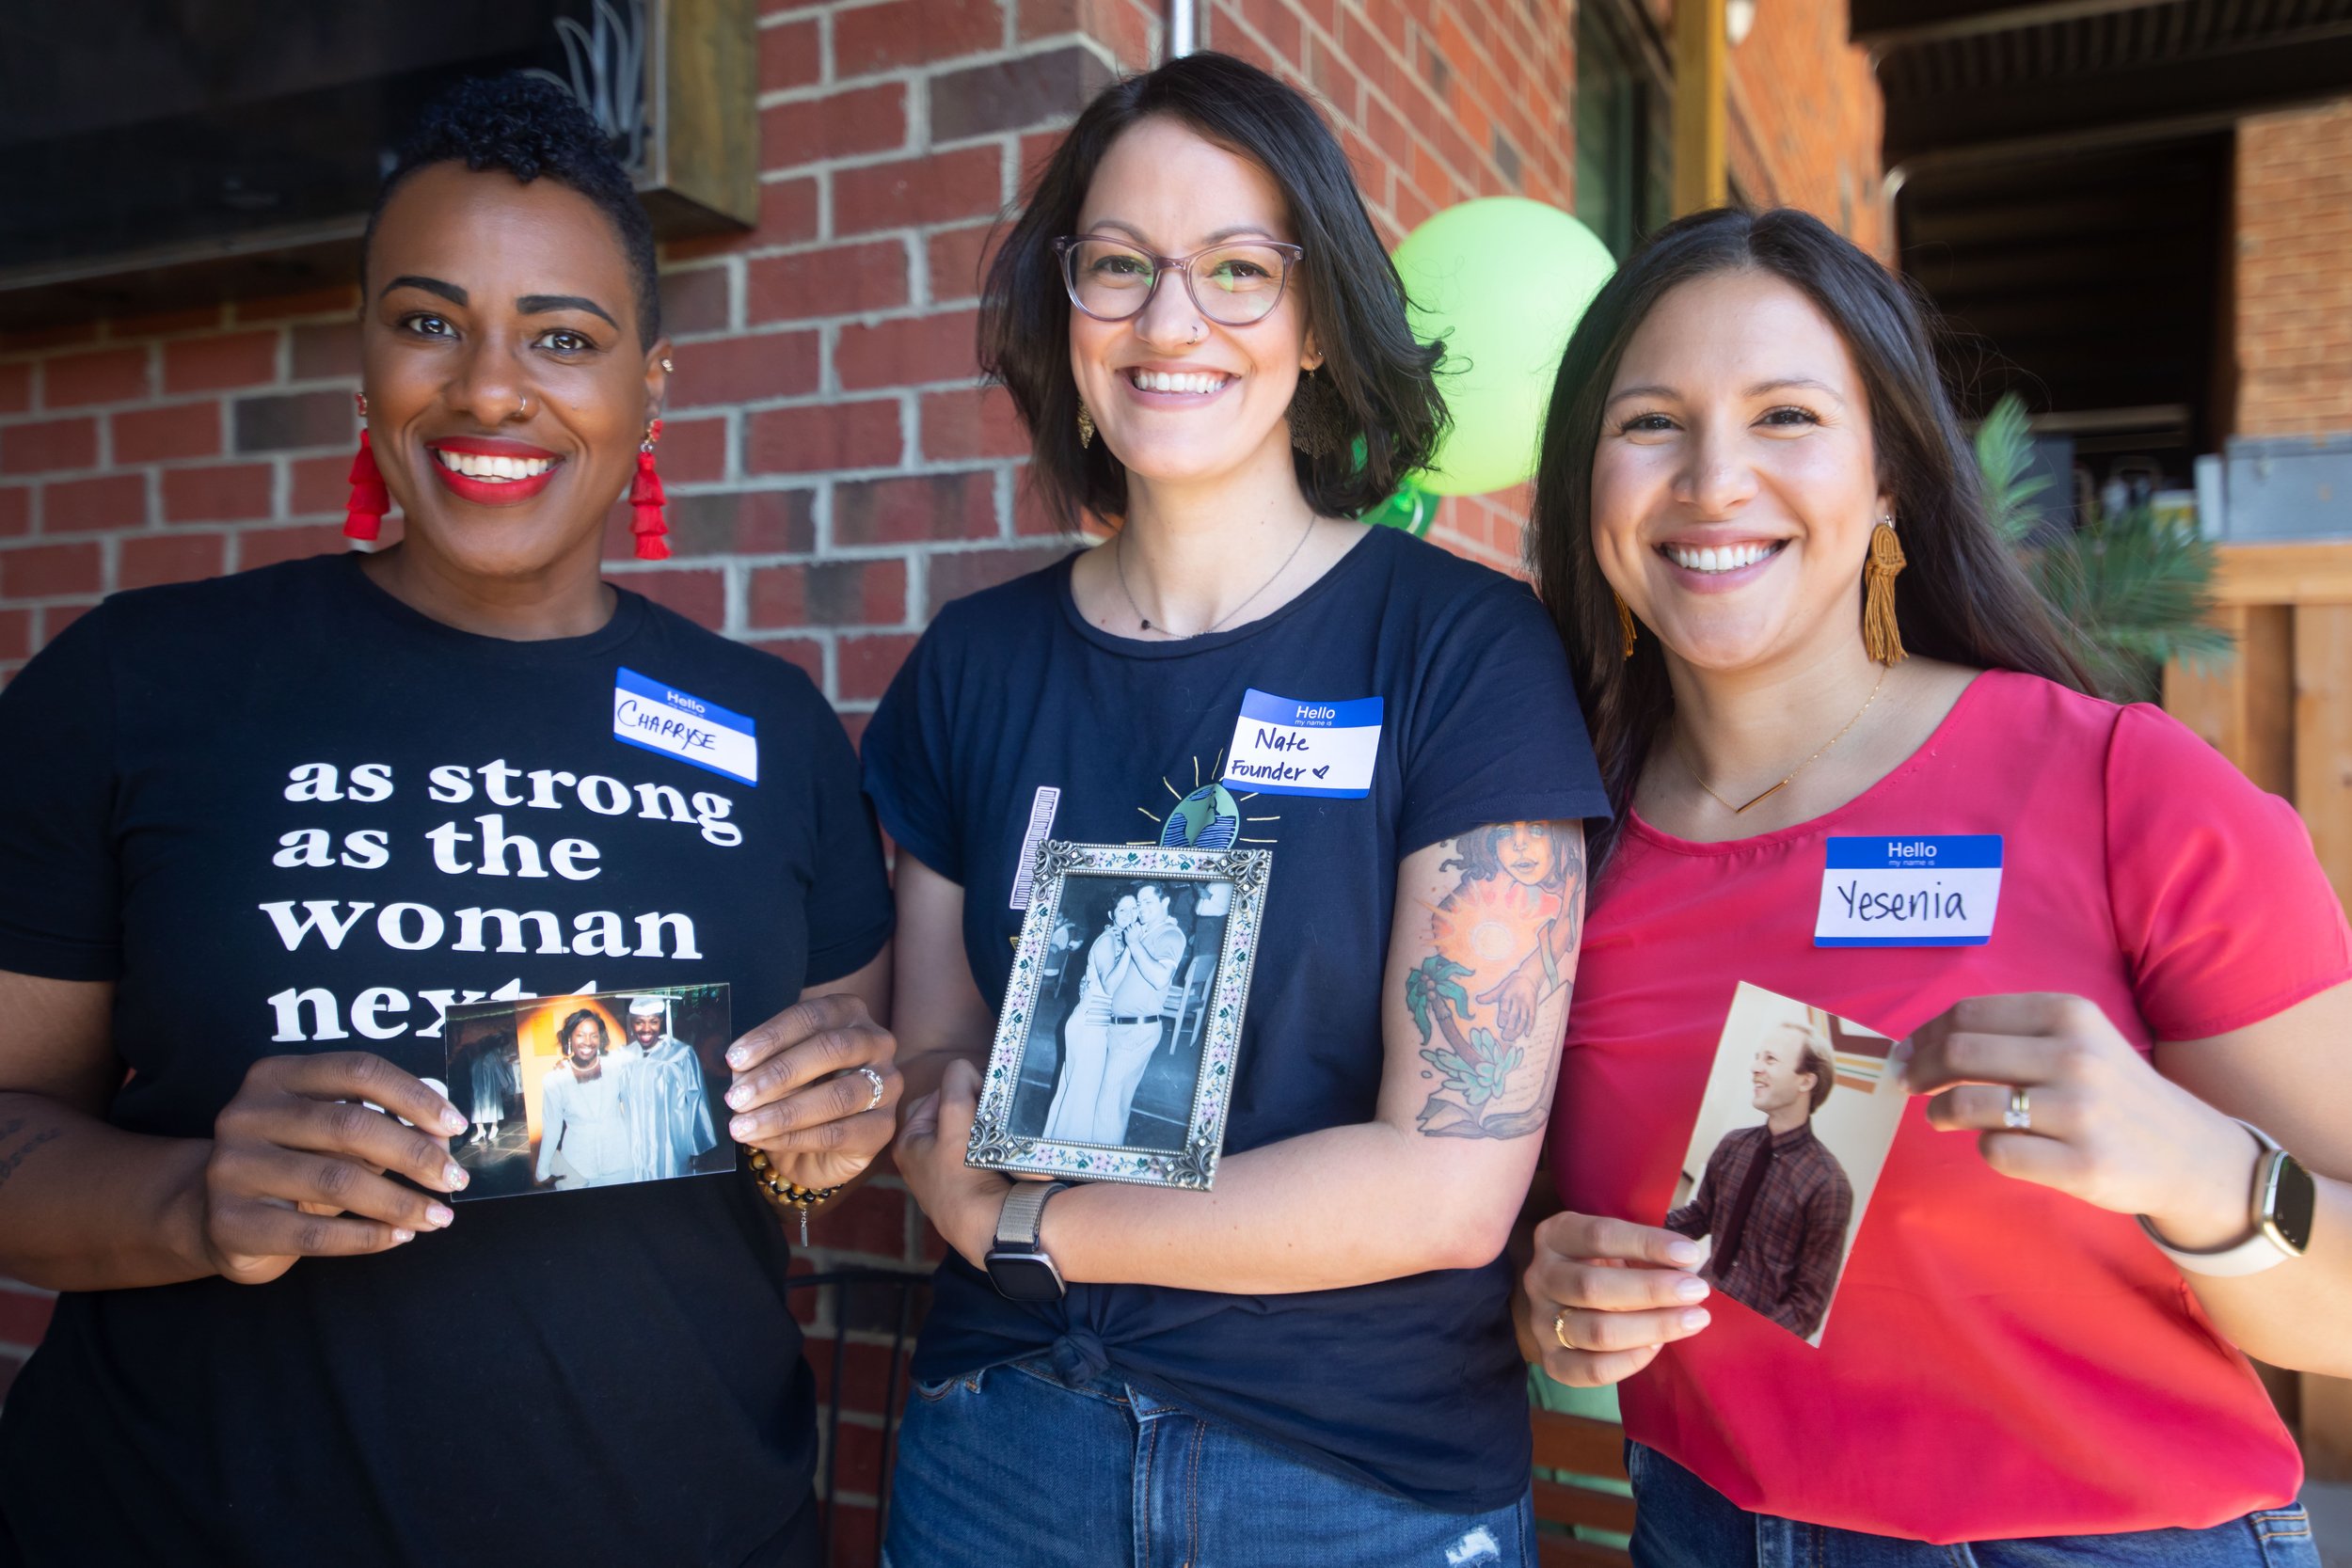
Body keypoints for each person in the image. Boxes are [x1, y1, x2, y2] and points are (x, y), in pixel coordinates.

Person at [0, 75, 901, 1568]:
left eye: (563, 336)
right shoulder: (137, 679)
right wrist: (186, 1197)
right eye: (429, 322)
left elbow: (816, 1128)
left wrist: (833, 1122)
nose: (491, 388)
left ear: (652, 384)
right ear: (365, 362)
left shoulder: (771, 723)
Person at [1519, 207, 2348, 1563]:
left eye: (1786, 413)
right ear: (1586, 485)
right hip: (1706, 1527)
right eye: (1651, 422)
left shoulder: (2116, 787)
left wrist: (2200, 1165)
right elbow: (1531, 1219)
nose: (1714, 479)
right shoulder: (1550, 841)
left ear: (1892, 475)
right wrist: (1551, 1296)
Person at [871, 52, 1608, 1567]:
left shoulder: (1462, 647)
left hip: (1350, 1479)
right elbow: (941, 1051)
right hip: (1002, 1449)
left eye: (1237, 269)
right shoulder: (973, 662)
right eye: (1120, 266)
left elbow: (1454, 1179)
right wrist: (930, 1117)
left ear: (1322, 315)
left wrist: (1026, 1220)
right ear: (1062, 309)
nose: (1169, 323)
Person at [1661, 1019, 1851, 1339]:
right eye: (1757, 1056)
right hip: (1695, 1304)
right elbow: (1701, 1216)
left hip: (1748, 1339)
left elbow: (1807, 1306)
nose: (1755, 1068)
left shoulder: (1829, 1184)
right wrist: (1636, 1223)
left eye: (1770, 1059)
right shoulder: (1734, 1144)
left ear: (1805, 1081)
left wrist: (1752, 1341)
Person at [1090, 882, 1187, 1140]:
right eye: (1139, 902)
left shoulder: (1170, 935)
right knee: (1113, 1102)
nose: (1141, 909)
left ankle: (1100, 1170)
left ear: (1165, 902)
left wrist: (1133, 944)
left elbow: (1159, 978)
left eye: (1148, 902)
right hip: (1122, 1026)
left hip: (1136, 1029)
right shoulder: (1146, 932)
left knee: (1109, 1105)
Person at [1038, 894, 1136, 1142]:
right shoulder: (1106, 941)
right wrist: (1133, 947)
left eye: (1133, 909)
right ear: (1111, 915)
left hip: (1100, 1022)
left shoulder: (1121, 941)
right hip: (1089, 1022)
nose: (1129, 914)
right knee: (1082, 1093)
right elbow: (1110, 986)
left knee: (1082, 1092)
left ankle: (1062, 1147)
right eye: (1122, 910)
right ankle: (1067, 1154)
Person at [620, 994, 720, 1180]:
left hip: (670, 1141)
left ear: (661, 1022)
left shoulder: (681, 1054)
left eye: (653, 1022)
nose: (646, 1029)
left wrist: (697, 1146)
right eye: (639, 1022)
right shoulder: (624, 1056)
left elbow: (696, 1100)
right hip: (634, 1143)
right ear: (632, 1024)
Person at [535, 1009, 634, 1189]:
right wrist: (542, 1170)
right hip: (578, 1168)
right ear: (569, 1038)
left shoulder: (616, 1065)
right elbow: (552, 1127)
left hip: (620, 1163)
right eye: (580, 1035)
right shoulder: (555, 1079)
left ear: (600, 1038)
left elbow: (643, 1053)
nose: (587, 1042)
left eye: (593, 1035)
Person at [468, 1031, 516, 1145]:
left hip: (489, 1085)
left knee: (492, 1104)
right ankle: (480, 1130)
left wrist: (506, 1085)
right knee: (476, 1108)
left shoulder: (492, 1055)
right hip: (477, 1085)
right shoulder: (477, 1056)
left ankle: (494, 1127)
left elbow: (499, 1070)